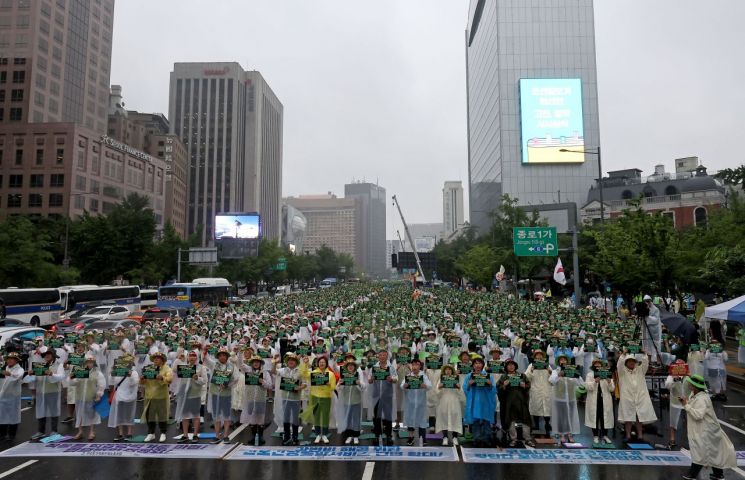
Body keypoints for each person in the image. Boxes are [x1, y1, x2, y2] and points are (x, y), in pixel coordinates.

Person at [681, 374, 736, 480]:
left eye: (690, 384)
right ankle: (718, 475)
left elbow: (698, 415)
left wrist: (686, 405)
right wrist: (686, 402)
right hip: (705, 430)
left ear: (695, 386)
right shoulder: (696, 394)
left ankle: (692, 475)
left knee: (700, 452)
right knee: (712, 453)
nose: (689, 385)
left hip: (706, 431)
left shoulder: (702, 399)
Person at [617, 352, 657, 443]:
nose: (631, 363)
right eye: (629, 361)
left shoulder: (640, 370)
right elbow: (619, 364)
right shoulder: (622, 372)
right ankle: (628, 435)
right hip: (627, 398)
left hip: (640, 397)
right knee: (628, 418)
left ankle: (640, 436)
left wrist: (644, 354)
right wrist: (623, 355)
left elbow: (645, 362)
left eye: (633, 361)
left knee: (640, 417)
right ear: (626, 362)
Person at [204, 347, 238, 444]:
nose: (222, 357)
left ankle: (226, 435)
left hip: (226, 394)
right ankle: (217, 435)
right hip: (215, 393)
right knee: (217, 416)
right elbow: (205, 359)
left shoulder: (232, 366)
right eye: (220, 355)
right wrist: (204, 349)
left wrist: (228, 384)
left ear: (227, 357)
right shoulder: (214, 364)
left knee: (227, 415)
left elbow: (236, 379)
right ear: (218, 357)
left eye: (224, 355)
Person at [172, 350, 207, 444]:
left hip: (195, 395)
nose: (192, 358)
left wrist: (197, 378)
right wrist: (178, 359)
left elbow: (204, 381)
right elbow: (174, 369)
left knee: (196, 415)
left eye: (194, 356)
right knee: (185, 416)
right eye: (190, 356)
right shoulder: (184, 367)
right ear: (188, 357)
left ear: (197, 357)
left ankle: (195, 435)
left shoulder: (201, 367)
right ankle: (185, 435)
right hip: (184, 395)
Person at [70, 354, 106, 441]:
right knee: (79, 415)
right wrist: (73, 378)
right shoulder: (79, 371)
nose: (89, 364)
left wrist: (99, 394)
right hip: (80, 397)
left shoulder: (97, 373)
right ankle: (80, 432)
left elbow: (102, 385)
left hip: (91, 397)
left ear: (94, 363)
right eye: (87, 362)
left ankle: (91, 432)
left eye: (91, 362)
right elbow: (72, 383)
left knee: (91, 415)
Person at [32, 349, 66, 440]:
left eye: (49, 354)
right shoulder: (40, 365)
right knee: (40, 411)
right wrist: (30, 374)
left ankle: (54, 431)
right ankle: (41, 431)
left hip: (53, 391)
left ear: (53, 356)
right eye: (45, 354)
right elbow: (32, 379)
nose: (47, 356)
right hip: (40, 392)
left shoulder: (59, 365)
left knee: (54, 411)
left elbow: (61, 376)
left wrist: (52, 374)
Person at [464, 357, 497, 447]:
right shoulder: (469, 376)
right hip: (474, 401)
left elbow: (494, 390)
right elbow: (465, 389)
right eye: (476, 363)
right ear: (473, 365)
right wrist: (469, 384)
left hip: (485, 401)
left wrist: (490, 384)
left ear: (482, 365)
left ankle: (486, 438)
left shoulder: (488, 375)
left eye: (479, 363)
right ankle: (477, 438)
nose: (478, 365)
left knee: (486, 421)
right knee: (476, 421)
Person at [239, 355, 273, 445]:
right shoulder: (248, 370)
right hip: (250, 398)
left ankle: (261, 437)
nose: (256, 363)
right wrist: (239, 353)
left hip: (260, 399)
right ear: (252, 363)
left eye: (258, 362)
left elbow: (270, 385)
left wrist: (263, 382)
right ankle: (253, 437)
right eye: (254, 362)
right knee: (252, 419)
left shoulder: (265, 373)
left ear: (261, 363)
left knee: (260, 419)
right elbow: (240, 364)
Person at [303, 356, 337, 444]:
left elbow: (333, 387)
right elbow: (304, 374)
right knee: (316, 416)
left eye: (323, 362)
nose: (322, 363)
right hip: (315, 396)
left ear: (326, 363)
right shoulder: (313, 373)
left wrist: (329, 384)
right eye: (320, 362)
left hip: (326, 397)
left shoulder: (331, 374)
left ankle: (324, 434)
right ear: (318, 363)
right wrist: (306, 363)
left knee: (325, 416)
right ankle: (318, 434)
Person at [549, 354, 583, 444]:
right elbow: (551, 381)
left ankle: (570, 434)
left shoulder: (572, 370)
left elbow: (580, 383)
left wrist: (576, 375)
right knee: (561, 417)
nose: (563, 361)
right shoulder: (555, 371)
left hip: (571, 398)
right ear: (559, 362)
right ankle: (561, 435)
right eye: (561, 360)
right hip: (559, 398)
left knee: (570, 417)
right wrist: (559, 375)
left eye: (565, 360)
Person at [140, 351, 173, 443]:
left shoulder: (167, 369)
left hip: (161, 396)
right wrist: (142, 379)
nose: (156, 360)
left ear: (162, 360)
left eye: (158, 358)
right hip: (149, 395)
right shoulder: (149, 368)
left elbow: (170, 380)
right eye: (155, 358)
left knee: (162, 414)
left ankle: (163, 433)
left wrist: (162, 378)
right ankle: (151, 433)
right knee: (149, 415)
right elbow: (142, 383)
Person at [368, 348, 398, 446]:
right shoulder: (374, 367)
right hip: (376, 395)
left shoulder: (391, 367)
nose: (382, 357)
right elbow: (369, 379)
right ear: (378, 356)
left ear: (387, 356)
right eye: (380, 355)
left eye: (384, 355)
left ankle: (389, 435)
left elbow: (396, 378)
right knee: (377, 417)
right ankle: (377, 435)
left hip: (387, 395)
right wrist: (371, 379)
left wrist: (391, 379)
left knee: (387, 417)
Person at [276, 353, 307, 446]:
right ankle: (287, 437)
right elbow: (273, 371)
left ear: (296, 362)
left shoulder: (300, 372)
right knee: (286, 418)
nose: (291, 362)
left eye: (293, 360)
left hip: (296, 399)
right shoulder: (283, 370)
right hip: (285, 398)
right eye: (289, 360)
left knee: (295, 419)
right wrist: (274, 363)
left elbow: (305, 383)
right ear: (287, 362)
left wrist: (299, 388)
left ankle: (295, 437)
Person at [108, 353, 140, 442]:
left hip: (130, 396)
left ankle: (129, 433)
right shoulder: (118, 371)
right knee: (119, 414)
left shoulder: (134, 372)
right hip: (119, 396)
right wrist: (111, 373)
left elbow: (135, 383)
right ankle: (120, 434)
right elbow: (111, 381)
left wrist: (130, 377)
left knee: (130, 415)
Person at [401, 357, 431, 446]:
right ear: (411, 366)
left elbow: (430, 386)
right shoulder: (408, 376)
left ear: (419, 366)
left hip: (421, 403)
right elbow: (401, 385)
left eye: (417, 365)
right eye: (413, 364)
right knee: (410, 420)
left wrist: (424, 385)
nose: (415, 367)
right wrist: (404, 385)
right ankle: (411, 437)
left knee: (422, 421)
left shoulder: (423, 376)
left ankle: (423, 438)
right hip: (410, 403)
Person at [336, 356, 365, 445]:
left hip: (356, 400)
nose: (351, 367)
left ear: (354, 367)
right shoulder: (343, 375)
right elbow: (337, 389)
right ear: (346, 367)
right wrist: (340, 384)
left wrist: (359, 383)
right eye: (349, 365)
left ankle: (356, 435)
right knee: (347, 418)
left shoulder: (358, 374)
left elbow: (364, 387)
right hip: (345, 401)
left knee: (356, 418)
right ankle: (349, 435)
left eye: (352, 365)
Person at [584, 358, 614, 445]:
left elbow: (612, 389)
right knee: (595, 418)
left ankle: (605, 435)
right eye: (596, 364)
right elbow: (587, 387)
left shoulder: (607, 374)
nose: (597, 365)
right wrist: (595, 381)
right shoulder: (590, 375)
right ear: (593, 366)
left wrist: (609, 381)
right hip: (594, 400)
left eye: (599, 364)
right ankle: (595, 436)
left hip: (605, 400)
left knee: (605, 418)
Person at [525, 350, 552, 437]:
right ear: (535, 357)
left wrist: (550, 372)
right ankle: (536, 425)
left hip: (546, 390)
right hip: (535, 390)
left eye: (540, 355)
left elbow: (553, 378)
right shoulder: (531, 365)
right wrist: (531, 371)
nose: (539, 357)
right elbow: (526, 377)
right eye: (537, 355)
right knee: (536, 408)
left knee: (547, 409)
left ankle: (547, 425)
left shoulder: (547, 365)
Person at [435, 364, 464, 446]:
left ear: (452, 371)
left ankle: (455, 437)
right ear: (444, 371)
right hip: (444, 401)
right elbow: (437, 393)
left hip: (454, 401)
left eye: (450, 369)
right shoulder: (441, 379)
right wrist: (439, 388)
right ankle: (445, 437)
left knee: (455, 419)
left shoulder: (456, 379)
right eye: (446, 369)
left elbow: (461, 393)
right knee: (444, 419)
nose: (448, 371)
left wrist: (459, 388)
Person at [0, 352, 24, 441]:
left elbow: (18, 376)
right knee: (2, 415)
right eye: (8, 359)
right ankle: (2, 434)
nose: (9, 360)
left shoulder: (19, 369)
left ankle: (11, 435)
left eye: (12, 359)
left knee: (13, 415)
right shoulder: (6, 367)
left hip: (13, 396)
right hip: (3, 395)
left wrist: (10, 374)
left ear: (16, 360)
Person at [664, 360, 687, 449]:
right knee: (673, 421)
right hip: (675, 402)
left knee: (688, 421)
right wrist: (675, 379)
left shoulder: (688, 374)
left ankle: (688, 440)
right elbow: (667, 386)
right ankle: (672, 440)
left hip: (687, 402)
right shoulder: (671, 376)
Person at [642, 295, 662, 363]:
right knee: (647, 347)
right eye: (645, 302)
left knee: (657, 346)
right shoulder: (643, 309)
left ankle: (658, 362)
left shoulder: (655, 309)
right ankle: (649, 362)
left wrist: (648, 317)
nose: (647, 303)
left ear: (650, 301)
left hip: (654, 331)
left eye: (648, 301)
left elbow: (656, 320)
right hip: (646, 331)